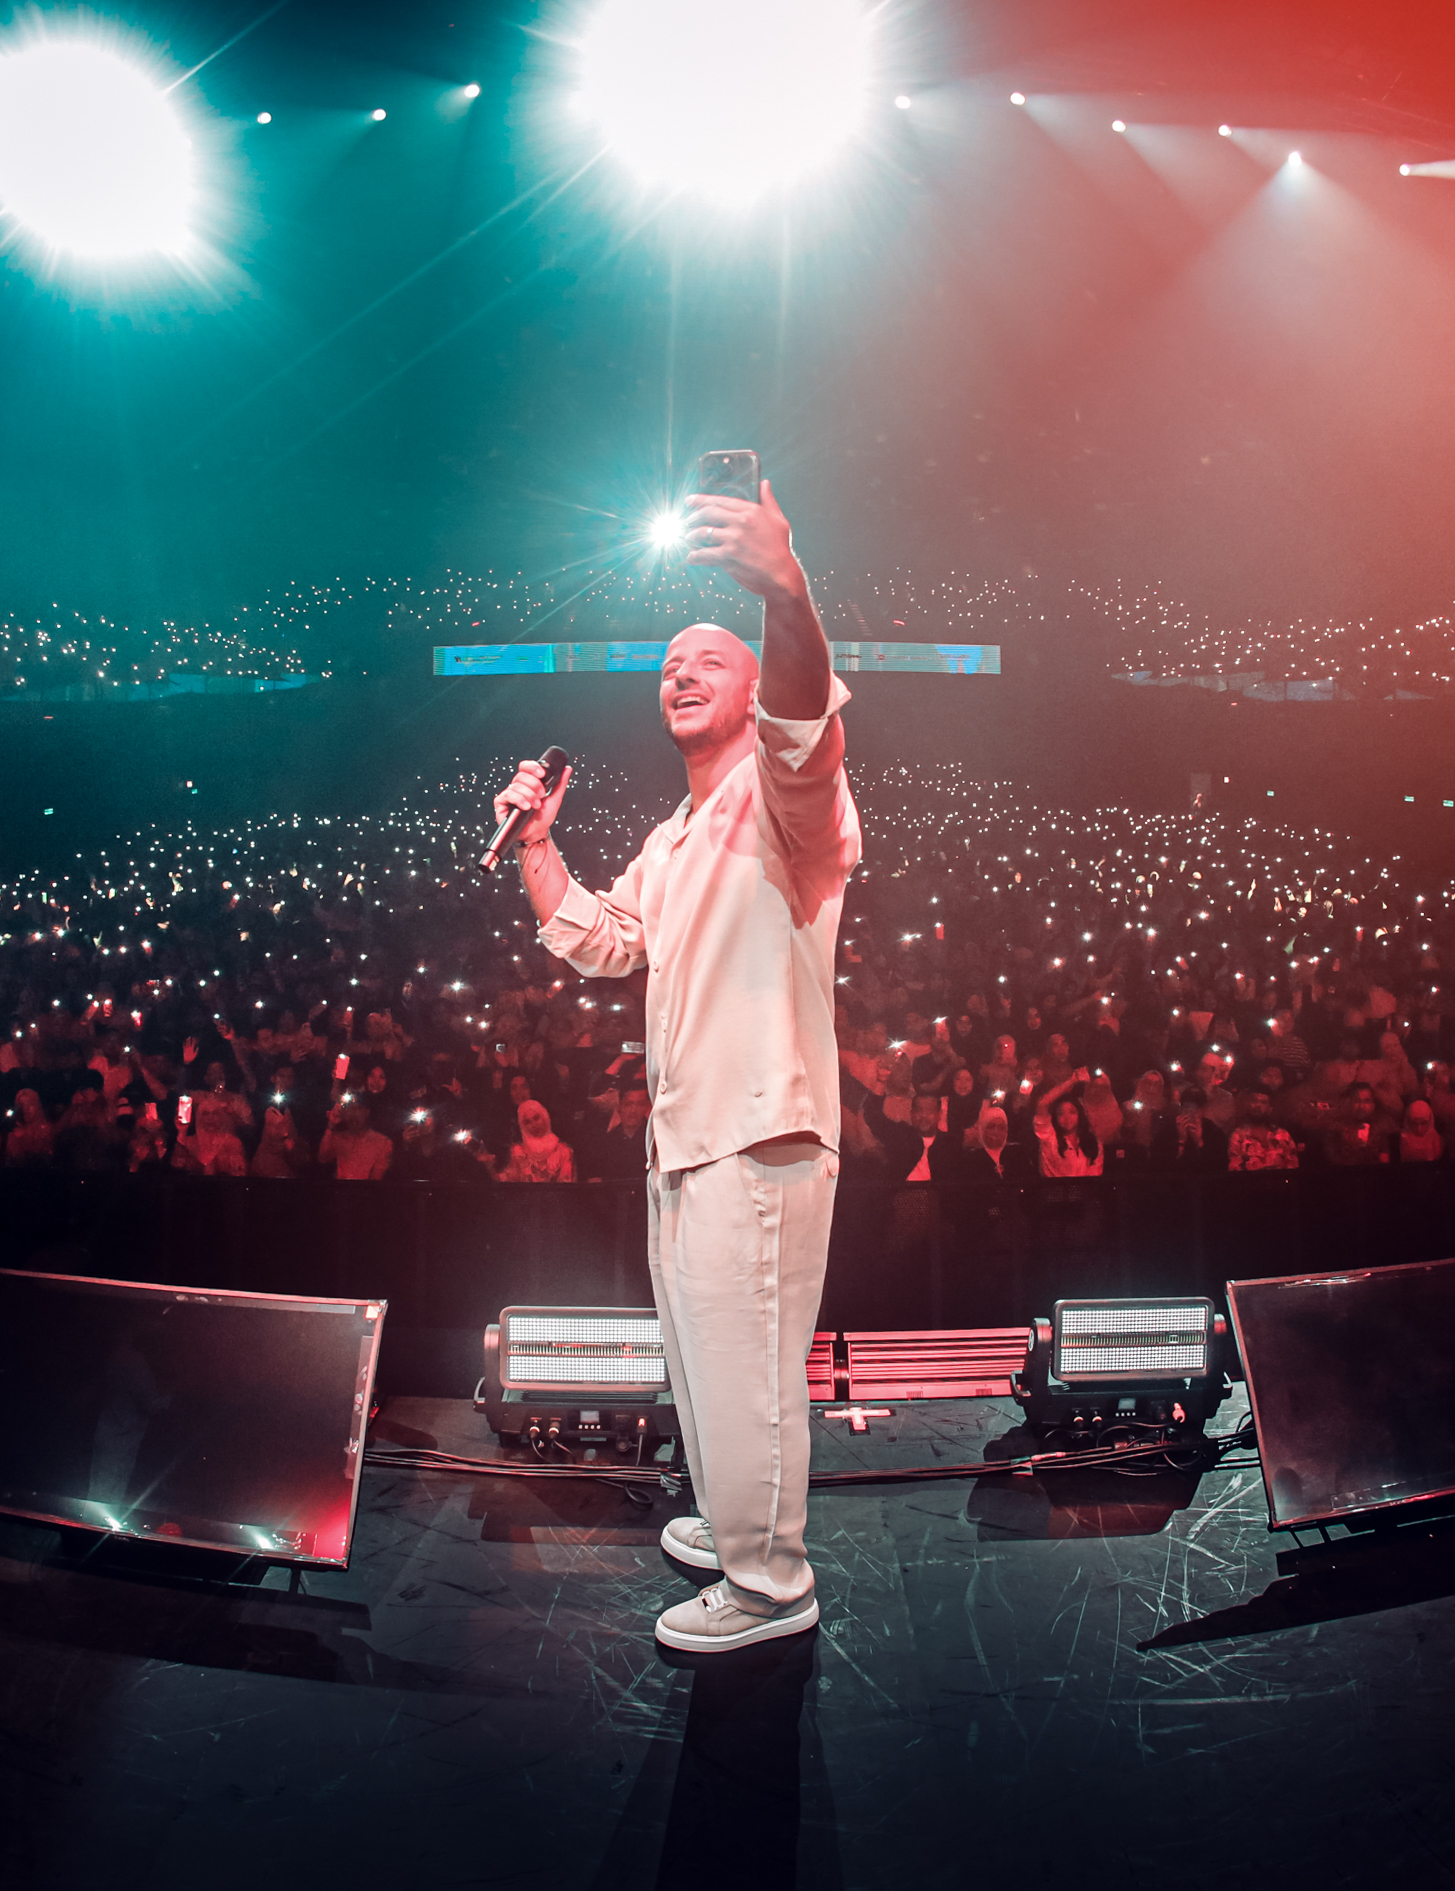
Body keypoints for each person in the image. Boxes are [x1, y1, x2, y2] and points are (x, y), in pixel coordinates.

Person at [489, 474, 858, 1658]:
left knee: (748, 1370)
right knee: (706, 1364)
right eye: (667, 666)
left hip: (759, 1131)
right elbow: (606, 941)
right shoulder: (672, 834)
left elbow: (807, 723)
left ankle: (770, 1585)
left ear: (753, 692)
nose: (680, 673)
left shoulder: (787, 798)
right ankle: (737, 1525)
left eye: (709, 659)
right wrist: (539, 848)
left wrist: (782, 591)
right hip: (687, 1137)